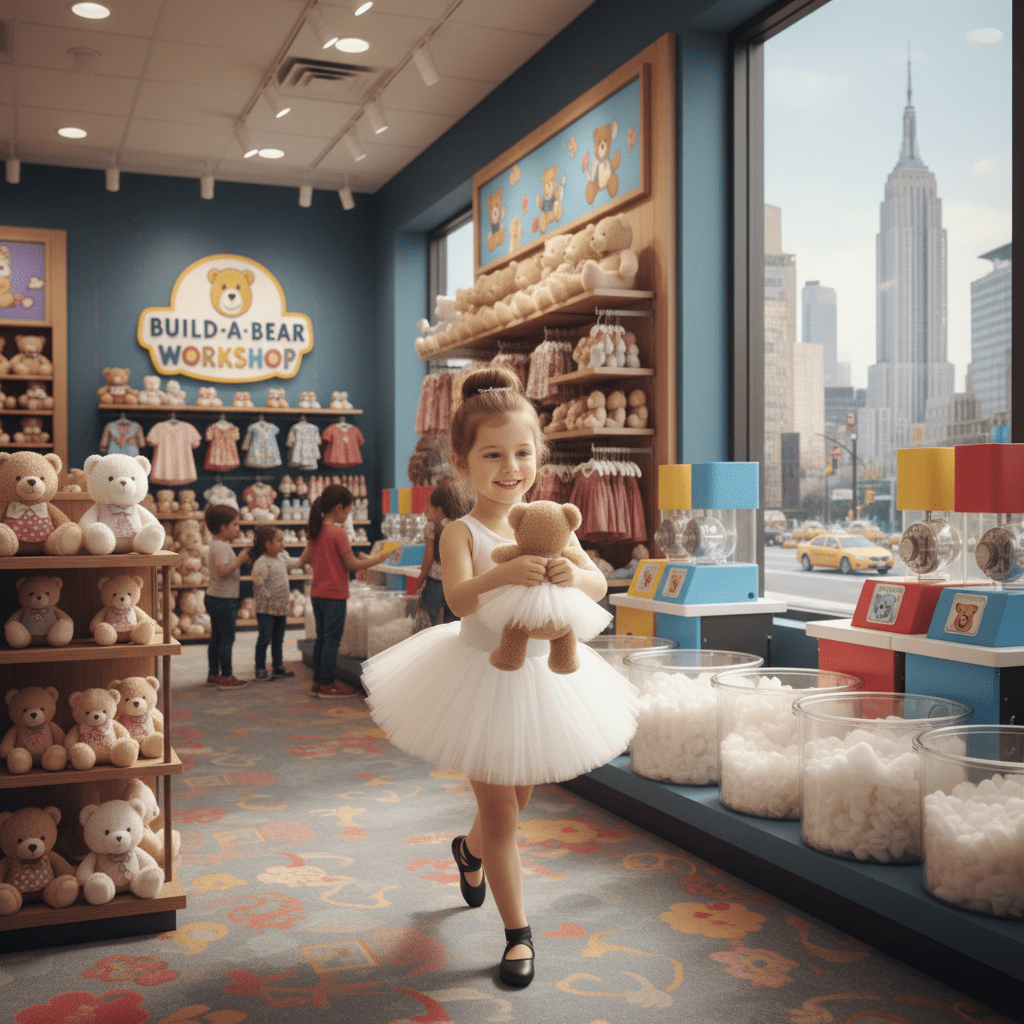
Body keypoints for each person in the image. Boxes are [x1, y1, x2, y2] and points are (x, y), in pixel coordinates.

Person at [361, 366, 638, 988]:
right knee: (506, 815)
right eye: (492, 454)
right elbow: (459, 599)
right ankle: (518, 937)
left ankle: (469, 851)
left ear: (538, 455)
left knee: (514, 801)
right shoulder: (462, 529)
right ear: (462, 463)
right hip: (478, 679)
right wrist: (501, 576)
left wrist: (577, 577)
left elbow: (597, 582)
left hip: (543, 683)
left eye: (522, 452)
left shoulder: (551, 520)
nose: (510, 467)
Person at [298, 484, 393, 698]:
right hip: (334, 595)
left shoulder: (316, 531)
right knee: (332, 640)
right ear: (339, 508)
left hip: (317, 594)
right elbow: (351, 565)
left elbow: (306, 559)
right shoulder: (338, 533)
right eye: (349, 511)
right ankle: (328, 684)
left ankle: (319, 681)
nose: (349, 515)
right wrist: (377, 559)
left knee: (322, 639)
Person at [413, 478, 473, 628]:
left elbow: (428, 559)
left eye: (431, 507)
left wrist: (420, 579)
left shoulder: (432, 526)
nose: (430, 512)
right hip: (457, 583)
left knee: (430, 624)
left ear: (440, 508)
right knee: (453, 625)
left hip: (435, 584)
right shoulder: (463, 525)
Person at [203, 503, 250, 689]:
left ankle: (213, 673)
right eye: (236, 525)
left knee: (216, 637)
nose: (238, 529)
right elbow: (223, 571)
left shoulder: (216, 544)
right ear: (223, 527)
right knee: (227, 638)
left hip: (214, 596)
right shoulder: (222, 547)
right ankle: (227, 675)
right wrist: (240, 559)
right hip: (224, 599)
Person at [250, 525, 299, 680]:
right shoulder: (262, 562)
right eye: (278, 540)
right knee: (264, 638)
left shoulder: (282, 557)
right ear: (267, 544)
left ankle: (278, 666)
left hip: (281, 606)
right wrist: (271, 600)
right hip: (266, 608)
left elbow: (295, 562)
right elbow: (258, 584)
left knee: (278, 638)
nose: (282, 543)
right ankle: (260, 667)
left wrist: (310, 553)